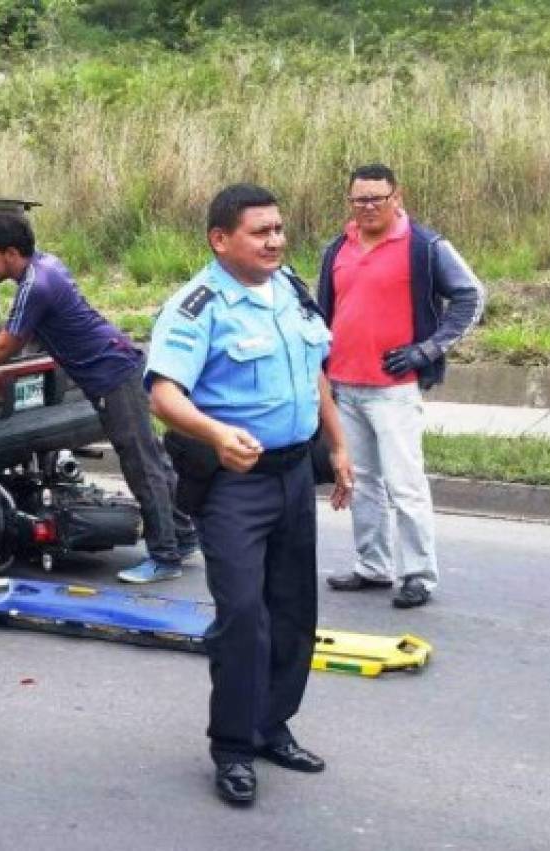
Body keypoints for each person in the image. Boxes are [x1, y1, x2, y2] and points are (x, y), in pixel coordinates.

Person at [146, 184, 353, 806]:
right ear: (220, 239)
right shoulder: (197, 305)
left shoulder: (288, 287)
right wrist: (212, 432)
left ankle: (271, 727)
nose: (275, 240)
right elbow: (163, 392)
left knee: (293, 614)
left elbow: (315, 367)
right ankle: (233, 748)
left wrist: (338, 447)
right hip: (235, 483)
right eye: (261, 232)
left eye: (279, 229)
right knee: (243, 617)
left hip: (294, 475)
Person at [0, 212, 199, 584]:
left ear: (12, 253)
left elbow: (6, 344)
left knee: (141, 466)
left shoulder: (35, 285)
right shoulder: (47, 264)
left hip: (113, 376)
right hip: (121, 366)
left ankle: (164, 556)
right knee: (153, 460)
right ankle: (182, 536)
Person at [318, 164, 484, 609]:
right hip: (345, 386)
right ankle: (373, 566)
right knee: (362, 482)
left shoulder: (425, 246)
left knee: (405, 485)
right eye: (360, 199)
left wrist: (427, 350)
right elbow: (324, 314)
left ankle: (418, 575)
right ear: (349, 202)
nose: (368, 206)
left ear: (396, 195)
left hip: (394, 388)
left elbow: (471, 296)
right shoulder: (338, 248)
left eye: (377, 197)